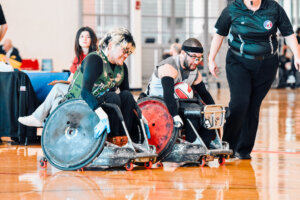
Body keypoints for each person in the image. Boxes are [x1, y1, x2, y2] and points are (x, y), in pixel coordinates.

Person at [208, 0, 300, 159]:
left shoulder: (274, 8)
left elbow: (288, 33)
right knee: (240, 102)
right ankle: (227, 146)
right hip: (238, 62)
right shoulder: (233, 9)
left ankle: (243, 150)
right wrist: (211, 59)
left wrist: (297, 56)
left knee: (252, 105)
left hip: (267, 65)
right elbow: (220, 33)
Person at [63, 27, 137, 146]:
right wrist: (102, 115)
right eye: (124, 50)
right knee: (113, 97)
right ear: (111, 46)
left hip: (99, 103)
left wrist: (140, 114)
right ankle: (111, 138)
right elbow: (85, 92)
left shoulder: (122, 67)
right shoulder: (95, 59)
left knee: (127, 96)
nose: (126, 55)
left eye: (129, 52)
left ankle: (123, 139)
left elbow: (126, 95)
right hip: (79, 104)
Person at [18, 26, 98, 127]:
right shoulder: (78, 58)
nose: (84, 39)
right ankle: (50, 126)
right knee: (57, 99)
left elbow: (89, 80)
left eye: (88, 37)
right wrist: (63, 82)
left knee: (57, 88)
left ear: (92, 40)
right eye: (81, 36)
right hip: (75, 89)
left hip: (87, 92)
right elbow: (71, 79)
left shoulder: (94, 57)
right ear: (78, 40)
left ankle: (38, 117)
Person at [145, 37, 215, 147]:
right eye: (194, 57)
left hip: (178, 103)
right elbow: (168, 94)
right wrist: (174, 115)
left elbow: (204, 94)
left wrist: (214, 109)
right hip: (156, 105)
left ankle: (203, 145)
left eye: (200, 58)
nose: (196, 62)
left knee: (204, 113)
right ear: (183, 53)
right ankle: (191, 147)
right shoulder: (169, 67)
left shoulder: (194, 71)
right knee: (192, 111)